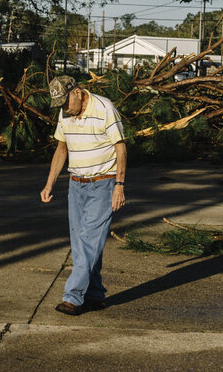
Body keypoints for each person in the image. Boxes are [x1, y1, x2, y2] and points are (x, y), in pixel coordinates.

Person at [40, 75, 127, 316]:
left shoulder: (104, 108)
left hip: (103, 184)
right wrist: (49, 184)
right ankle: (95, 295)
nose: (64, 109)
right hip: (76, 185)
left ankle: (73, 297)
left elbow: (121, 148)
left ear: (77, 92)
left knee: (88, 242)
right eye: (59, 105)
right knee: (81, 243)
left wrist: (119, 185)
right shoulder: (64, 111)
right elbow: (61, 148)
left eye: (66, 102)